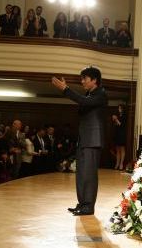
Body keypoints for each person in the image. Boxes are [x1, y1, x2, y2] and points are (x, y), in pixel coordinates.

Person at [52, 66, 108, 216]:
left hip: (92, 141)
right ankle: (82, 204)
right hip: (84, 140)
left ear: (94, 80)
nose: (82, 81)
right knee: (81, 174)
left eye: (85, 78)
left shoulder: (101, 93)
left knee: (89, 175)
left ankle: (88, 206)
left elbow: (84, 102)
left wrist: (66, 89)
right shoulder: (89, 95)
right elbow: (84, 102)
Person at [112, 104, 127, 170]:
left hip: (122, 133)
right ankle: (117, 163)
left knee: (122, 149)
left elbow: (121, 124)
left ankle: (121, 164)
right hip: (117, 133)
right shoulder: (118, 115)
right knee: (117, 149)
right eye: (119, 108)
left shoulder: (124, 116)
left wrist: (116, 119)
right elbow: (115, 124)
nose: (119, 109)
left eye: (120, 108)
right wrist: (114, 119)